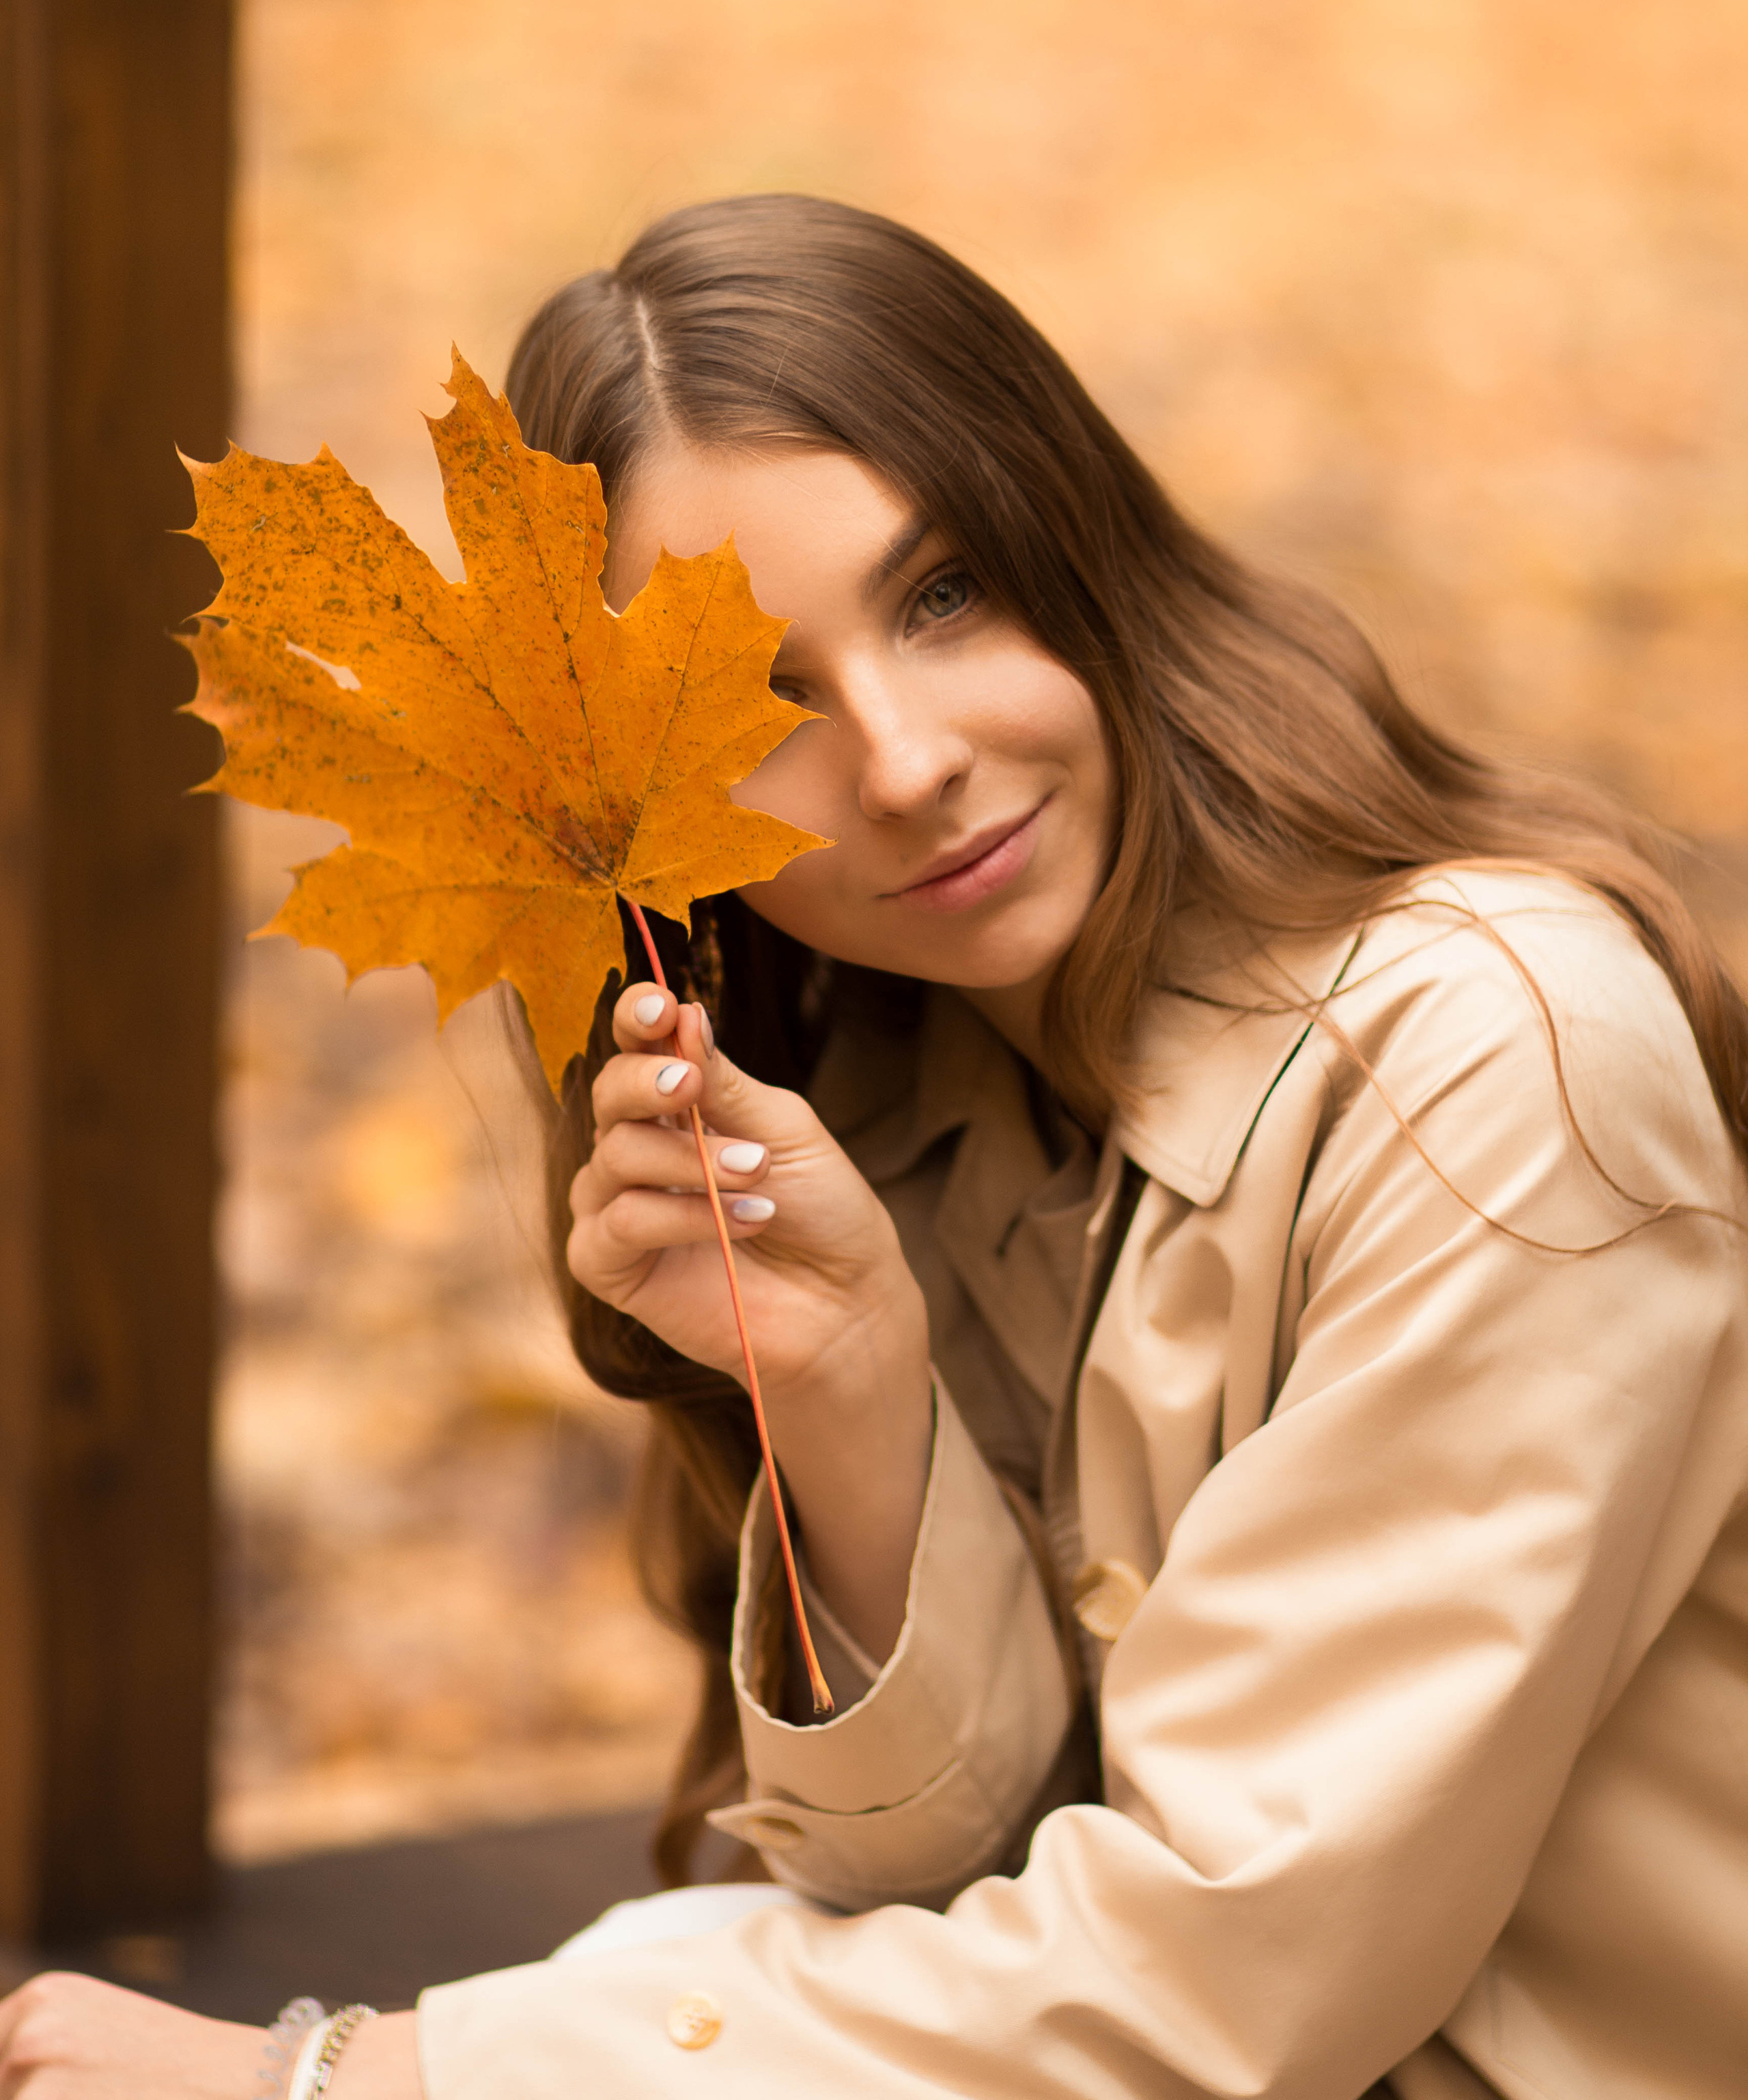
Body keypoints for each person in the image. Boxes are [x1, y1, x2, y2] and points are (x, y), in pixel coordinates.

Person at [6, 193, 1744, 2099]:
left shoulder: (1498, 1058)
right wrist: (851, 1399)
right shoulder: (898, 1096)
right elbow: (934, 1878)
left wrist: (341, 2077)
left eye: (945, 596)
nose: (907, 763)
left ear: (1078, 544)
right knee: (663, 1969)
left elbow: (1230, 1985)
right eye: (762, 701)